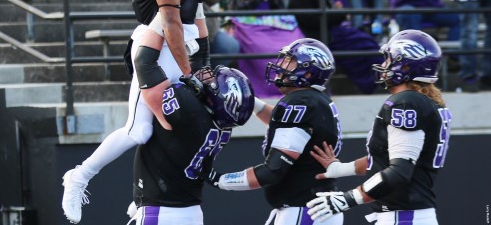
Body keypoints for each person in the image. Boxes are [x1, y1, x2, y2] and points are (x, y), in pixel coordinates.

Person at [62, 0, 240, 223]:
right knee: (139, 130)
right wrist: (189, 72)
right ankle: (80, 176)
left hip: (180, 38)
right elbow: (170, 15)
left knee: (173, 124)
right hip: (158, 42)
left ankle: (141, 199)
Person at [306, 30, 452, 225]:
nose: (383, 65)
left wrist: (348, 198)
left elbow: (399, 171)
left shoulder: (406, 102)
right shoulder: (423, 101)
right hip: (408, 215)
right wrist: (340, 168)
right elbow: (389, 157)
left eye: (389, 60)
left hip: (403, 217)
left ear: (407, 65)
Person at [204, 38, 346, 225]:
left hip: (305, 208)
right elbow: (281, 120)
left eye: (290, 61)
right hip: (315, 206)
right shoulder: (314, 100)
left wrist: (220, 180)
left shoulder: (300, 102)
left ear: (309, 72)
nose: (282, 66)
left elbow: (273, 170)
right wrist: (249, 101)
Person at [129, 65, 255, 224]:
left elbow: (146, 67)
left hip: (162, 211)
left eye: (213, 81)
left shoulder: (188, 107)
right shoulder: (223, 128)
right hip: (191, 211)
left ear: (221, 97)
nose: (208, 78)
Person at [288, 0, 382, 94]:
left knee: (366, 42)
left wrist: (336, 12)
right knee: (363, 43)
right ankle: (369, 82)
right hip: (318, 37)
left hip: (330, 33)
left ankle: (373, 81)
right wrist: (339, 14)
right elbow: (310, 20)